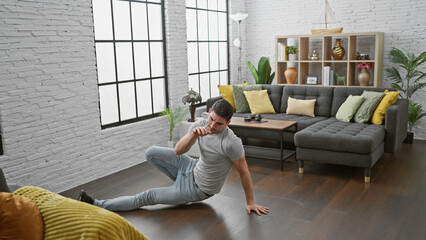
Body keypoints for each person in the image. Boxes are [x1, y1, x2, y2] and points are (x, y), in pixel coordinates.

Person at [79, 99, 269, 216]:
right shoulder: (202, 123)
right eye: (211, 119)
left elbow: (244, 172)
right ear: (209, 112)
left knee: (146, 196)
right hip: (191, 166)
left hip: (199, 188)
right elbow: (178, 151)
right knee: (151, 153)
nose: (211, 126)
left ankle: (96, 205)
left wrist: (250, 202)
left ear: (228, 123)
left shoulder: (231, 142)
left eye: (218, 124)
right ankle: (177, 188)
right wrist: (194, 134)